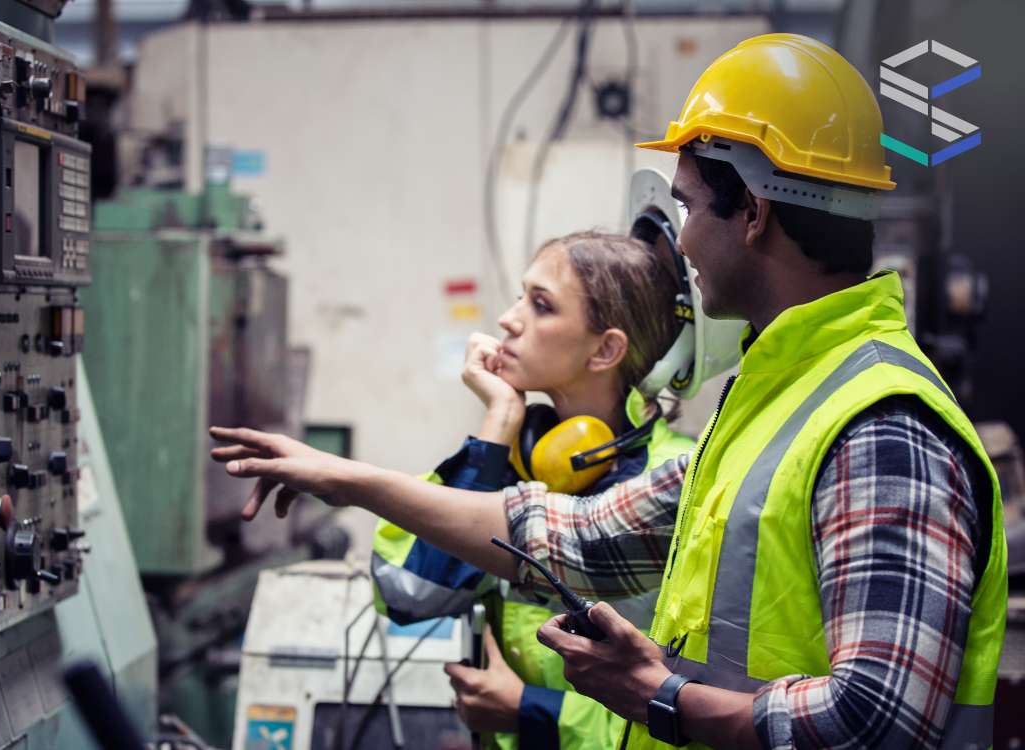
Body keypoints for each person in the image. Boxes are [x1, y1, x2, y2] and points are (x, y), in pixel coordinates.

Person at [210, 34, 1006, 750]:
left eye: (690, 206)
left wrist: (658, 695)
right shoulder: (773, 398)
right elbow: (575, 537)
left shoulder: (878, 423)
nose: (681, 242)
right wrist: (338, 478)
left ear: (755, 214)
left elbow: (878, 720)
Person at [371, 223, 698, 750]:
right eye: (521, 296)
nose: (507, 318)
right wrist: (498, 426)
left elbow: (693, 707)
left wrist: (532, 711)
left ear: (605, 350)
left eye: (541, 305)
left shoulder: (675, 480)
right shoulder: (516, 461)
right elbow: (409, 596)